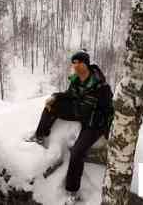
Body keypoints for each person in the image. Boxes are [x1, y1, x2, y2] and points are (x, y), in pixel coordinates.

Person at [26, 49, 114, 204]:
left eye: (79, 63)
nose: (76, 66)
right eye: (74, 63)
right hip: (78, 111)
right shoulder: (76, 81)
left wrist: (107, 132)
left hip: (93, 124)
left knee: (77, 153)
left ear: (86, 64)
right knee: (52, 106)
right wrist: (55, 97)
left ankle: (72, 191)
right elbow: (69, 94)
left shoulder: (102, 87)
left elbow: (109, 111)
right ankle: (39, 135)